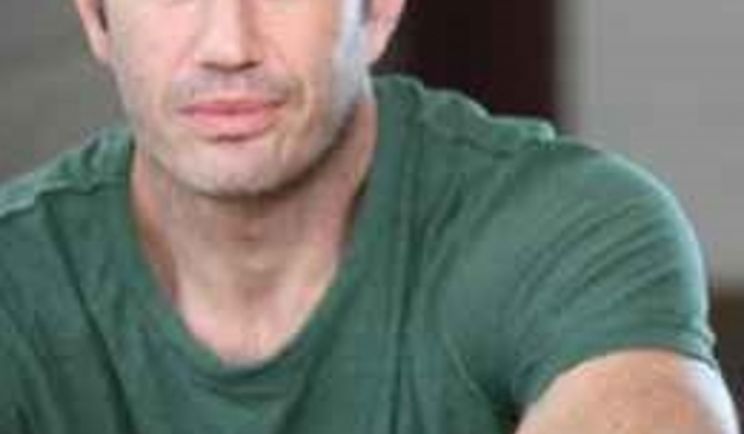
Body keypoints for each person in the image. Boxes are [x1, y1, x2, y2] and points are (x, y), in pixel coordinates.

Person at [0, 0, 738, 432]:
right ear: (96, 18)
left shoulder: (570, 225)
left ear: (378, 9)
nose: (228, 45)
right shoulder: (17, 276)